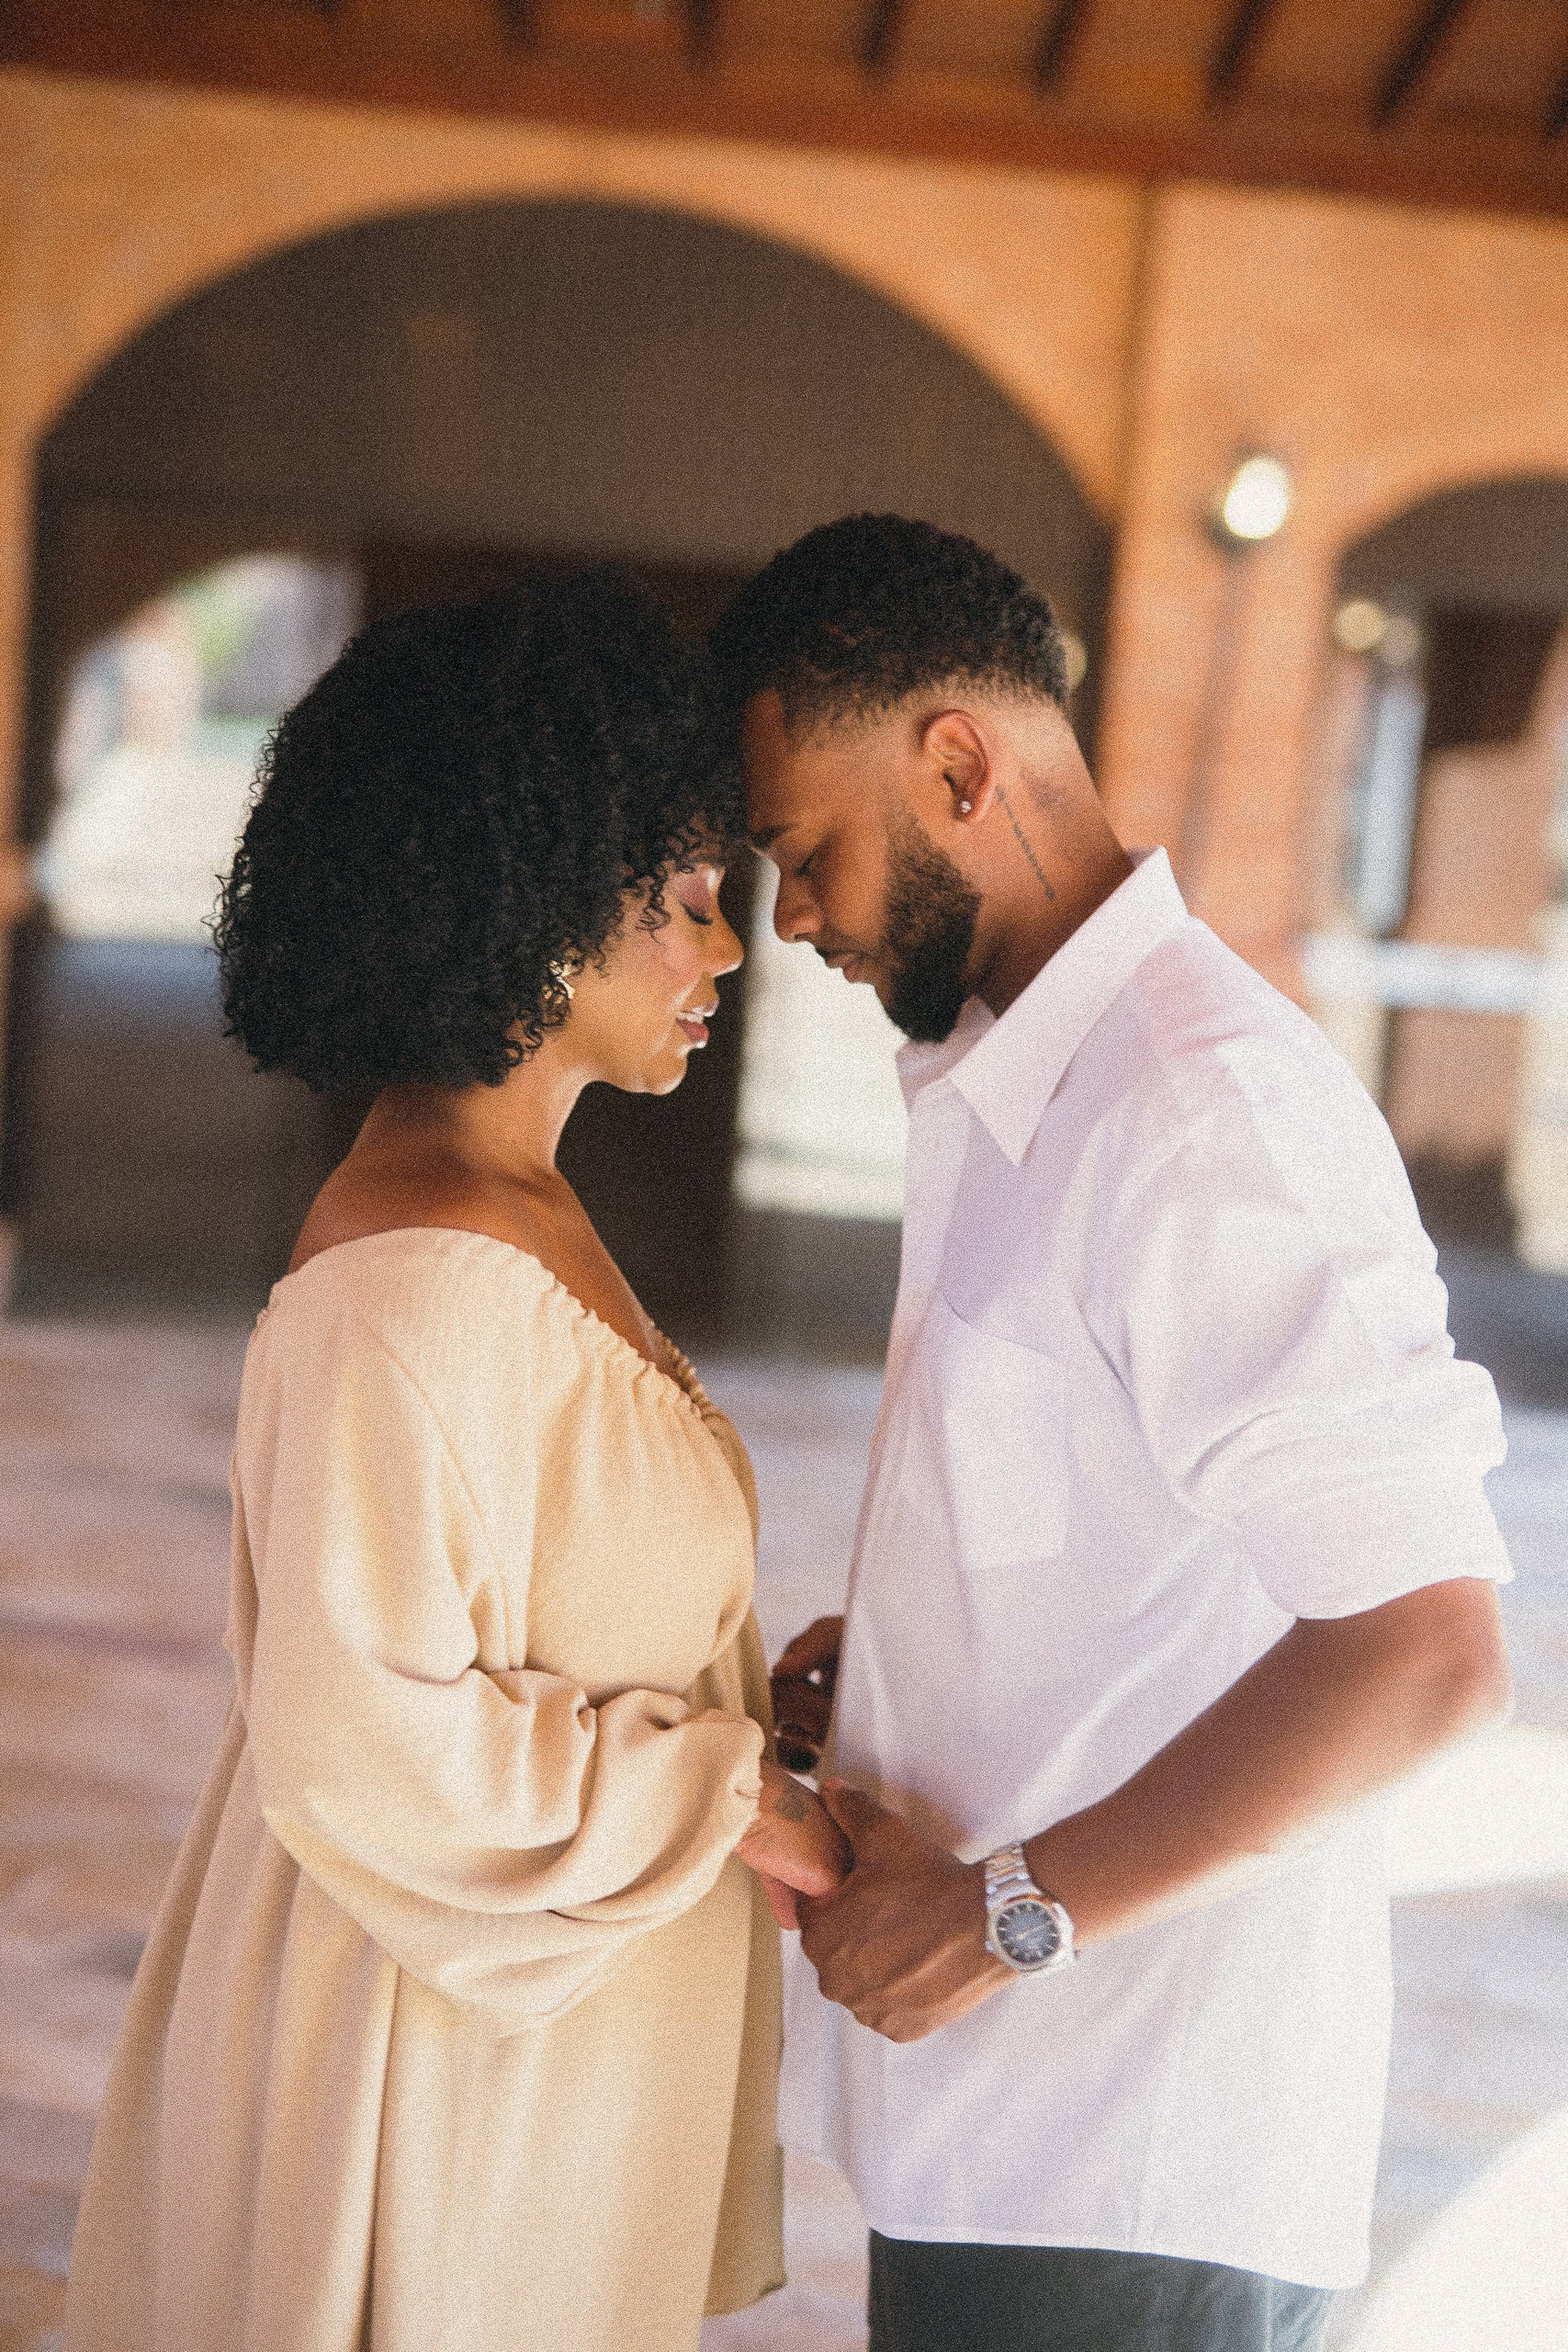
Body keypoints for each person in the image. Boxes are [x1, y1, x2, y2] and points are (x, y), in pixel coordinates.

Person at [710, 514, 1515, 2352]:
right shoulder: (1024, 1080)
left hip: (1133, 2157)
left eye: (804, 851)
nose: (801, 919)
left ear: (960, 765)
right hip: (1006, 2146)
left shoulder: (1201, 1105)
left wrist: (1011, 1917)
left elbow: (1425, 1653)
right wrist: (913, 1662)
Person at [63, 574, 848, 2352]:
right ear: (517, 906)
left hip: (535, 2041)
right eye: (675, 899)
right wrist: (742, 1799)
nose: (728, 946)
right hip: (426, 2068)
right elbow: (359, 1737)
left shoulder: (524, 1215)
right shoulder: (412, 1278)